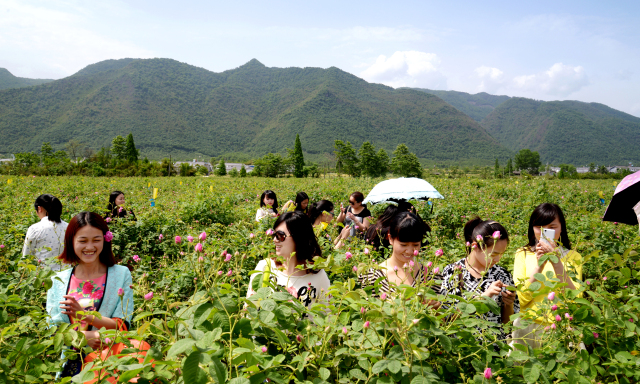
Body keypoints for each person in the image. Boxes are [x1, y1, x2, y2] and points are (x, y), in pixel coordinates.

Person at [46, 212, 134, 377]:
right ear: (71, 242)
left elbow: (123, 324)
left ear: (105, 240)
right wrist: (81, 337)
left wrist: (86, 317)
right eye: (82, 241)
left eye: (96, 240)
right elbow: (52, 329)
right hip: (71, 367)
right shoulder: (58, 281)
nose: (89, 247)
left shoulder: (121, 274)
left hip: (111, 363)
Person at [512, 203, 582, 349]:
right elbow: (523, 298)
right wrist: (539, 264)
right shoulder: (522, 254)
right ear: (532, 228)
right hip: (527, 326)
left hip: (562, 327)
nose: (545, 232)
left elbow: (574, 300)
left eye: (552, 227)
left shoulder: (574, 256)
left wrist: (557, 262)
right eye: (540, 227)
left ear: (562, 227)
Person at [440, 217, 519, 341]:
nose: (498, 259)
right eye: (493, 254)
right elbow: (448, 320)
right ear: (475, 246)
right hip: (462, 349)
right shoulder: (453, 272)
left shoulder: (502, 274)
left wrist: (508, 305)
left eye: (501, 254)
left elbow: (507, 324)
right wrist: (483, 298)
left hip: (495, 350)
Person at [247, 211, 330, 308]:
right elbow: (250, 308)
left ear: (299, 238)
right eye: (275, 235)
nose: (275, 240)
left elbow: (328, 314)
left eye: (280, 235)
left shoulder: (317, 274)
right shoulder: (265, 267)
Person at [359, 211, 438, 297]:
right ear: (390, 239)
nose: (409, 251)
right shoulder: (372, 277)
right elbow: (368, 308)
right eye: (403, 245)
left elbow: (441, 305)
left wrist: (436, 306)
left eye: (415, 245)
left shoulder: (430, 275)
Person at [22, 194, 68, 270]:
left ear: (40, 209)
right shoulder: (69, 227)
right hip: (66, 275)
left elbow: (26, 256)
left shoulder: (35, 229)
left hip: (43, 276)